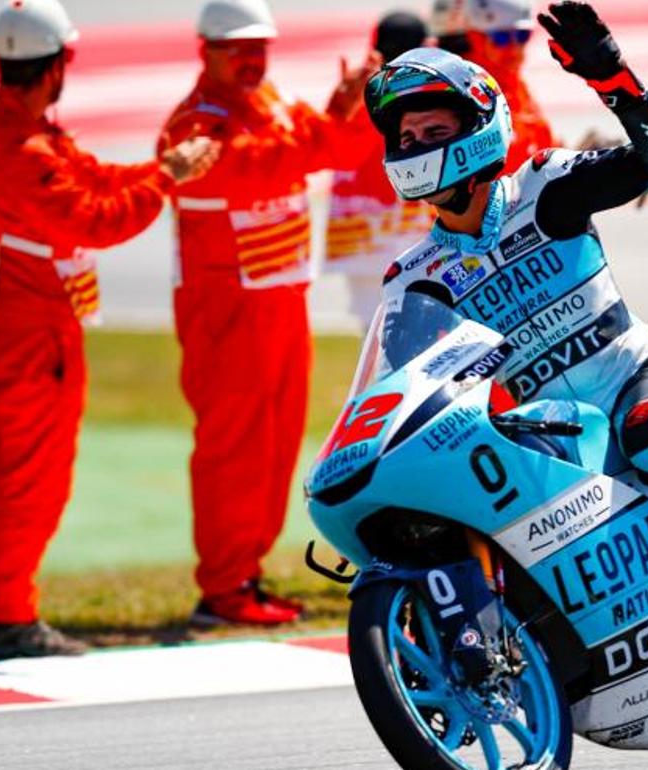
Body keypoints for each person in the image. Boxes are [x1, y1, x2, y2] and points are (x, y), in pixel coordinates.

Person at [370, 2, 648, 656]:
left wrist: (610, 75)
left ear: (475, 125)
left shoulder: (545, 187)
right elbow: (409, 394)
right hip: (544, 437)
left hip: (637, 382)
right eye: (404, 138)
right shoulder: (413, 279)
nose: (414, 147)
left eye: (430, 129)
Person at [0, 0, 218, 658]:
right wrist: (167, 177)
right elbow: (97, 220)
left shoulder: (15, 132)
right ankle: (1, 616)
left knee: (7, 476)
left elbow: (90, 176)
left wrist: (162, 168)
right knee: (28, 481)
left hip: (17, 331)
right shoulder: (20, 151)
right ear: (57, 65)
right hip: (30, 337)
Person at [158, 0, 377, 626]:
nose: (252, 60)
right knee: (233, 449)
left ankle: (244, 575)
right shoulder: (193, 126)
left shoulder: (270, 102)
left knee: (278, 446)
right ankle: (222, 587)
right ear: (206, 51)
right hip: (226, 312)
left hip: (281, 300)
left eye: (260, 47)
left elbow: (325, 147)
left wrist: (342, 110)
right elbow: (268, 161)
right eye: (238, 48)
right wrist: (328, 125)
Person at [325, 11, 435, 328]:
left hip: (357, 246)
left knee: (374, 348)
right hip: (401, 240)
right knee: (410, 346)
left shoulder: (355, 88)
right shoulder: (410, 92)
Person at [460, 0, 555, 173]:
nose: (514, 49)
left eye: (522, 36)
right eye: (501, 38)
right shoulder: (462, 92)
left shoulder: (515, 84)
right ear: (476, 38)